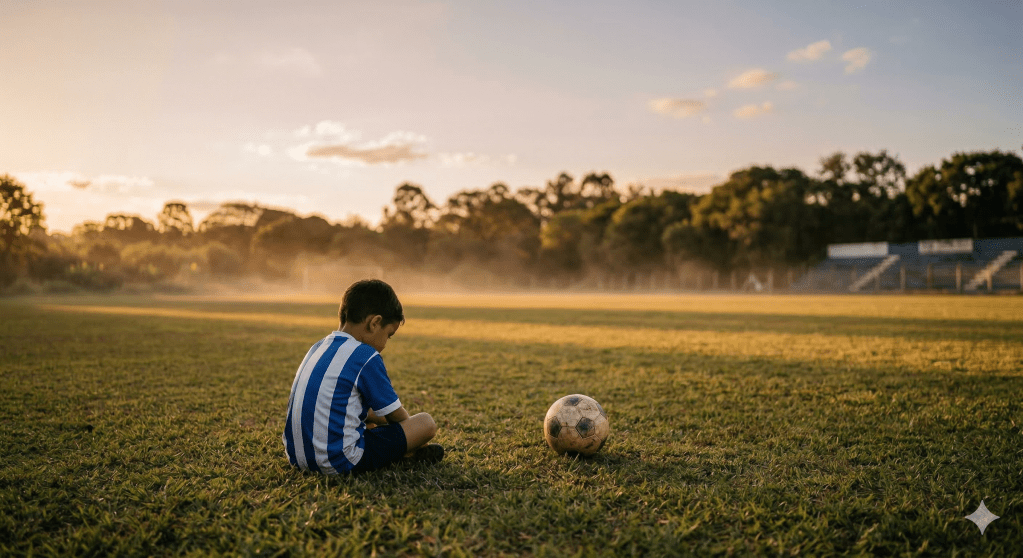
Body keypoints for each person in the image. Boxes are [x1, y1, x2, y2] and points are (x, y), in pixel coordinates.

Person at [282, 279, 442, 474]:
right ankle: (409, 453)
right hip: (339, 460)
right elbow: (395, 416)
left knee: (370, 417)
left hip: (297, 457)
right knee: (426, 423)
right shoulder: (365, 356)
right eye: (388, 335)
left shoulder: (318, 347)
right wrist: (415, 441)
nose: (385, 344)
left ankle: (395, 449)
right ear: (375, 323)